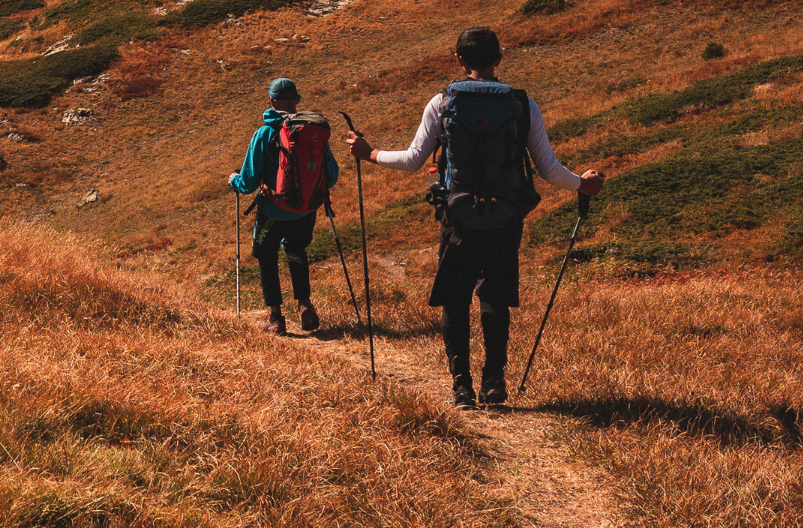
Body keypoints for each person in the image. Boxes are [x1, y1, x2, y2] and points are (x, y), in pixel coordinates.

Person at [345, 27, 603, 409]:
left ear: (459, 60)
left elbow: (415, 159)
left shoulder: (442, 102)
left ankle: (461, 387)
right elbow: (548, 169)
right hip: (505, 216)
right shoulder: (521, 104)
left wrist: (370, 153)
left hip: (457, 215)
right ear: (499, 58)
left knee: (455, 299)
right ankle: (494, 380)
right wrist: (581, 185)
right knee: (495, 298)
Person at [228, 76, 338, 335]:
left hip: (272, 211)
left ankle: (276, 317)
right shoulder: (312, 132)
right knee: (296, 250)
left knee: (266, 256)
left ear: (271, 100)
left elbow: (249, 181)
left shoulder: (265, 133)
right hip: (306, 209)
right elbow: (330, 176)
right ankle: (304, 303)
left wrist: (234, 181)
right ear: (297, 100)